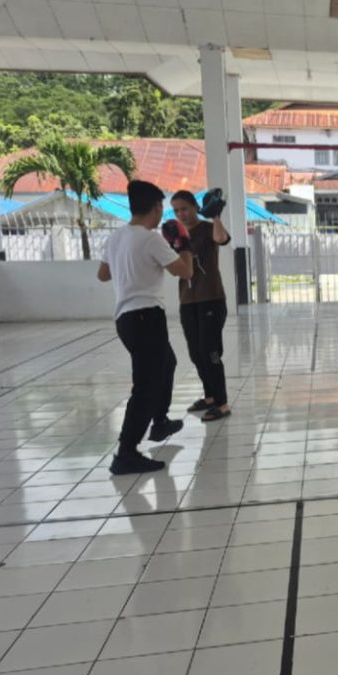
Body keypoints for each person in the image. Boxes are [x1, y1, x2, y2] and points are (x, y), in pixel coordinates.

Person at [97, 180, 193, 475]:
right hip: (146, 317)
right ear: (155, 208)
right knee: (146, 386)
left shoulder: (116, 237)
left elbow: (103, 274)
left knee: (167, 364)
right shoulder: (151, 240)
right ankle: (126, 452)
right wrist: (184, 244)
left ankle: (160, 421)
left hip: (125, 319)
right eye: (162, 207)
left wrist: (128, 266)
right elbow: (185, 271)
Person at [170, 189, 232, 421]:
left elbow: (222, 240)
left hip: (211, 299)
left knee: (210, 352)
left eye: (185, 209)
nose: (181, 214)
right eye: (176, 211)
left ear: (196, 207)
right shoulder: (176, 235)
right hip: (187, 300)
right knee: (196, 353)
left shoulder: (207, 229)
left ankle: (222, 404)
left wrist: (215, 216)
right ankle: (209, 397)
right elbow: (173, 266)